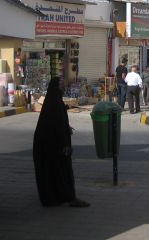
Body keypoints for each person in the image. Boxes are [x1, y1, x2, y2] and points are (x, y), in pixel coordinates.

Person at [33, 77, 90, 208]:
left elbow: (58, 122)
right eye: (61, 85)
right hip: (55, 146)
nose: (64, 87)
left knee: (52, 172)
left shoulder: (53, 102)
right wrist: (64, 145)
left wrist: (67, 127)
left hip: (50, 145)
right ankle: (70, 198)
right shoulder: (55, 104)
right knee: (63, 172)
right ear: (56, 87)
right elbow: (56, 126)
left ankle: (54, 197)